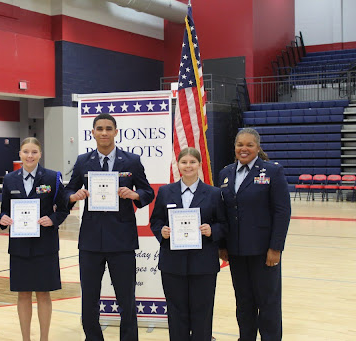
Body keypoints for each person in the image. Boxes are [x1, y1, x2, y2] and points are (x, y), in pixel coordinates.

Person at [64, 113, 155, 341]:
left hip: (122, 240)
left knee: (126, 298)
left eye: (108, 128)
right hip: (91, 240)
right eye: (99, 128)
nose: (104, 132)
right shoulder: (83, 161)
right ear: (93, 133)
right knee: (89, 298)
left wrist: (134, 194)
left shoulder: (131, 161)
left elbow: (148, 192)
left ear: (116, 132)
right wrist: (74, 196)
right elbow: (67, 192)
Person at [218, 128, 291, 341]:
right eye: (240, 144)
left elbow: (282, 211)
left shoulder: (272, 172)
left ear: (258, 147)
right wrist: (222, 245)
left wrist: (275, 248)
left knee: (267, 302)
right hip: (236, 251)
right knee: (243, 302)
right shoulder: (225, 173)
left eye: (249, 145)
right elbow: (222, 212)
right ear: (234, 147)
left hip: (263, 251)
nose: (244, 149)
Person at [150, 147, 227, 341]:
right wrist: (162, 232)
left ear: (200, 165)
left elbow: (225, 224)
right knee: (176, 311)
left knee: (203, 311)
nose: (188, 166)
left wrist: (213, 231)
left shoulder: (213, 193)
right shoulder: (166, 192)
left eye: (193, 162)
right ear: (178, 165)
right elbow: (156, 221)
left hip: (203, 264)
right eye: (184, 162)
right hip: (173, 264)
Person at [0, 137, 69, 341]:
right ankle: (26, 339)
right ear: (20, 154)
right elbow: (4, 210)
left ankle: (44, 338)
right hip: (19, 245)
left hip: (44, 245)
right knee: (22, 293)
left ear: (40, 154)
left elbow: (64, 208)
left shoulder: (52, 177)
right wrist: (3, 219)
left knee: (44, 293)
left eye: (34, 152)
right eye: (26, 152)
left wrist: (53, 219)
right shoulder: (9, 179)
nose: (30, 156)